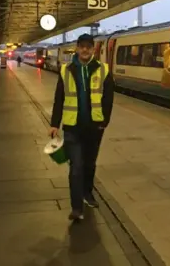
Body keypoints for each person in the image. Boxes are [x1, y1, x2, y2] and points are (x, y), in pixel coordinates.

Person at [49, 33, 115, 220]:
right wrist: (54, 124)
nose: (85, 49)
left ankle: (87, 193)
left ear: (93, 49)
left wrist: (104, 122)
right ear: (77, 48)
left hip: (94, 127)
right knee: (76, 167)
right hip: (72, 127)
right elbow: (59, 99)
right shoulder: (66, 70)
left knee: (89, 164)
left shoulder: (103, 70)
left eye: (88, 46)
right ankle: (76, 207)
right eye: (82, 46)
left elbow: (109, 98)